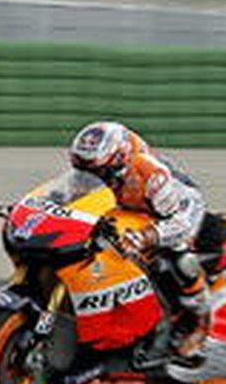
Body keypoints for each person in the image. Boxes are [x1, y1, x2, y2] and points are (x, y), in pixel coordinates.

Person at [67, 120, 211, 369]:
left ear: (117, 162)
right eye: (82, 170)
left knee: (180, 258)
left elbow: (179, 223)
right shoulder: (91, 168)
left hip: (175, 210)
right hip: (128, 208)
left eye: (96, 172)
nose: (88, 177)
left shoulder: (150, 175)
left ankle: (198, 327)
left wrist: (147, 236)